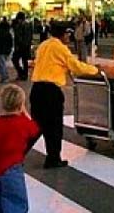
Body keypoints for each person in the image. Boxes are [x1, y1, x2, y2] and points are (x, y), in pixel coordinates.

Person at [30, 22, 99, 169]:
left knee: (36, 126)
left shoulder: (43, 45)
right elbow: (76, 67)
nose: (69, 37)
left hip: (36, 89)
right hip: (51, 91)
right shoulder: (60, 48)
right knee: (54, 128)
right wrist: (95, 70)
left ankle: (16, 155)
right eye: (68, 34)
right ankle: (53, 159)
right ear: (62, 34)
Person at [0, 85, 40, 213]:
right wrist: (25, 113)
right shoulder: (23, 123)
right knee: (16, 203)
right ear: (21, 105)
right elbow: (35, 130)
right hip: (13, 170)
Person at [12, 13, 31, 82]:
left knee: (20, 60)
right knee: (22, 61)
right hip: (22, 46)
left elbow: (25, 37)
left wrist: (22, 45)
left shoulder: (24, 26)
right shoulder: (20, 25)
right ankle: (23, 74)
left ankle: (23, 74)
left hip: (22, 47)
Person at [0, 17, 14, 83]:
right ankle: (5, 76)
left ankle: (4, 77)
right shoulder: (8, 34)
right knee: (4, 64)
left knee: (1, 64)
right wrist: (10, 49)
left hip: (1, 50)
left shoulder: (0, 33)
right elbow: (11, 42)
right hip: (7, 50)